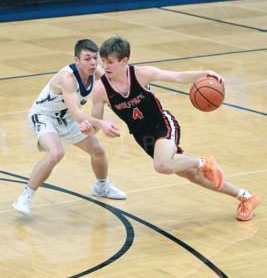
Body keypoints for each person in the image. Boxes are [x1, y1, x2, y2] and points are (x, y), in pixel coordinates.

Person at [80, 36, 259, 221]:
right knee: (194, 176)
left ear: (124, 61)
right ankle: (246, 196)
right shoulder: (101, 90)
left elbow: (178, 77)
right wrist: (89, 130)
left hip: (162, 124)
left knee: (162, 165)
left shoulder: (141, 74)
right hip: (143, 138)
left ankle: (204, 162)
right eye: (103, 61)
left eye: (110, 62)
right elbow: (96, 125)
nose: (105, 66)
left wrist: (205, 73)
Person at [13, 39, 127, 216]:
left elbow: (118, 82)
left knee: (98, 152)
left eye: (95, 58)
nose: (93, 62)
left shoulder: (96, 71)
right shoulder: (67, 78)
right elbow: (76, 114)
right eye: (87, 58)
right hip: (44, 116)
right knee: (56, 153)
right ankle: (25, 196)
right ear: (76, 60)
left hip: (65, 117)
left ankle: (101, 187)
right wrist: (101, 123)